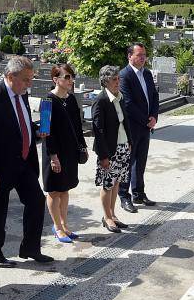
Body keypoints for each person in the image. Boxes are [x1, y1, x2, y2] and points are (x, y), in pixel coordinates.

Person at [0, 56, 52, 267]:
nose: (30, 84)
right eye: (26, 79)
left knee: (36, 201)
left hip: (23, 163)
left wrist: (38, 132)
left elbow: (20, 127)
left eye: (31, 79)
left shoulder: (21, 95)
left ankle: (31, 247)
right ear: (10, 76)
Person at [42, 63, 86, 243]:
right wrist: (53, 156)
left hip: (69, 152)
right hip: (54, 153)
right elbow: (45, 131)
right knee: (54, 191)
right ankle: (57, 228)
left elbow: (77, 126)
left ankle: (65, 225)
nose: (71, 80)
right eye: (67, 77)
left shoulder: (72, 99)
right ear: (55, 80)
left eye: (72, 76)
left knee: (65, 189)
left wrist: (82, 147)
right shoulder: (47, 101)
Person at [118, 43, 159, 213]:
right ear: (130, 56)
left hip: (146, 127)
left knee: (141, 162)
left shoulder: (147, 73)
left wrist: (154, 116)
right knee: (128, 162)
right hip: (132, 127)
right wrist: (146, 120)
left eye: (144, 55)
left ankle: (138, 193)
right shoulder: (124, 75)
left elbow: (154, 96)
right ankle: (124, 196)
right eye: (139, 55)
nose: (143, 58)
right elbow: (128, 104)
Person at [93, 65, 133, 233]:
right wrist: (103, 155)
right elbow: (98, 129)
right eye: (114, 80)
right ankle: (107, 217)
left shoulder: (120, 97)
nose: (118, 82)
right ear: (105, 82)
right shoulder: (101, 100)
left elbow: (124, 122)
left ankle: (113, 214)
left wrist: (129, 141)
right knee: (108, 184)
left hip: (123, 146)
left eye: (118, 79)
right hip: (109, 150)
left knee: (116, 182)